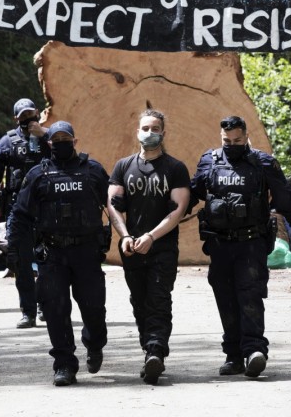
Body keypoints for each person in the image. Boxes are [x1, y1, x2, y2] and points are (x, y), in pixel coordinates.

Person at [190, 115, 291, 379]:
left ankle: (254, 351)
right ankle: (233, 356)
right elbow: (191, 194)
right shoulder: (209, 161)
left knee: (250, 296)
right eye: (226, 140)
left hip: (251, 243)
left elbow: (286, 199)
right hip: (219, 243)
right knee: (226, 299)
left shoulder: (262, 162)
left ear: (246, 136)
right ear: (220, 137)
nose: (232, 144)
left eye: (237, 140)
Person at [7, 121, 109, 386]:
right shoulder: (37, 175)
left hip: (87, 251)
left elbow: (115, 205)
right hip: (53, 252)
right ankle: (64, 364)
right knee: (55, 310)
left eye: (67, 138)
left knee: (94, 308)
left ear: (75, 141)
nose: (61, 142)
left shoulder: (94, 171)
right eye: (56, 139)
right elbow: (20, 214)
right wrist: (15, 250)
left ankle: (95, 344)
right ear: (49, 143)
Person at [106, 109, 190, 385]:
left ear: (163, 134)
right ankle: (149, 352)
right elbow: (113, 206)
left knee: (158, 300)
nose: (149, 133)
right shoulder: (123, 166)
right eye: (145, 128)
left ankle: (156, 352)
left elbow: (178, 210)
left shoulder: (175, 168)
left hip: (162, 249)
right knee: (140, 303)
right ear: (137, 131)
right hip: (131, 249)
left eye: (155, 129)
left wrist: (152, 237)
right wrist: (126, 236)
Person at [0, 98, 50, 328]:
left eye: (31, 113)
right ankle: (28, 311)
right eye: (23, 116)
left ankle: (46, 306)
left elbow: (69, 156)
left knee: (51, 260)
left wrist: (45, 135)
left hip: (48, 209)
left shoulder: (51, 136)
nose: (28, 119)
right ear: (16, 119)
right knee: (20, 261)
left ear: (38, 113)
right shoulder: (8, 142)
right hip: (18, 210)